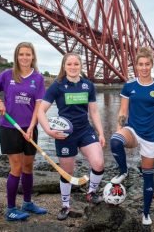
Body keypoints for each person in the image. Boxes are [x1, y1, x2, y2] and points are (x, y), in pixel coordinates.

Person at [0, 42, 47, 221]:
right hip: (9, 128)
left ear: (33, 57)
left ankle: (27, 202)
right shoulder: (6, 75)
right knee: (17, 167)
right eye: (21, 54)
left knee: (28, 166)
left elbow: (38, 106)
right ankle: (10, 209)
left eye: (28, 54)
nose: (25, 57)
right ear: (16, 56)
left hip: (29, 128)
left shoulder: (39, 79)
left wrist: (33, 126)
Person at [37, 53, 105, 221]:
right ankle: (65, 205)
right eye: (70, 64)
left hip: (85, 130)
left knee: (98, 163)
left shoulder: (88, 85)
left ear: (80, 66)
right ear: (64, 66)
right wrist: (48, 130)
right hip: (64, 134)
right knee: (67, 172)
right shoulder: (57, 86)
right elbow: (40, 111)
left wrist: (101, 132)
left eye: (76, 64)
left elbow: (94, 111)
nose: (73, 67)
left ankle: (91, 192)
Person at [110, 47, 154, 225]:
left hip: (151, 136)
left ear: (152, 65)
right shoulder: (129, 86)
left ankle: (145, 213)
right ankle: (123, 171)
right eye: (140, 64)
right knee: (115, 141)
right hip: (133, 130)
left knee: (148, 175)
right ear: (136, 66)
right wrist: (118, 130)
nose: (144, 67)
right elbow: (123, 111)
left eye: (147, 64)